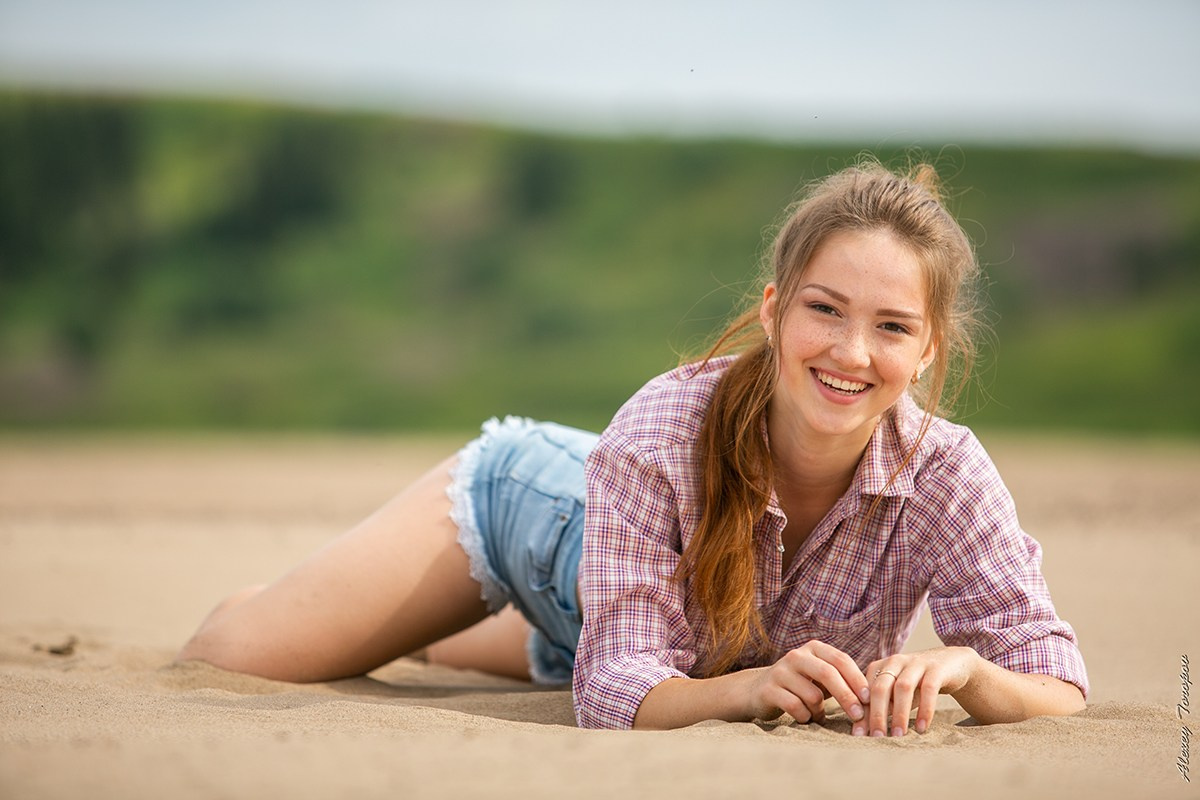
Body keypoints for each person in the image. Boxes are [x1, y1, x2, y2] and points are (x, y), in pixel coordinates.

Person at [178, 160, 1088, 736]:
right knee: (234, 651)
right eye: (824, 309)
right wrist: (755, 688)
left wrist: (969, 669)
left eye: (892, 327)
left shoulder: (946, 469)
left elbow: (1056, 681)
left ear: (928, 349)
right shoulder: (662, 433)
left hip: (649, 619)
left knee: (613, 634)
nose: (853, 354)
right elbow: (613, 693)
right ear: (774, 312)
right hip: (532, 513)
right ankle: (329, 599)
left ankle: (517, 626)